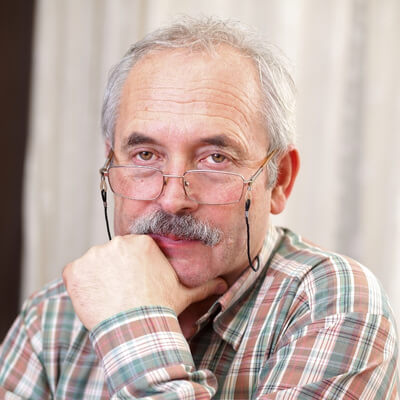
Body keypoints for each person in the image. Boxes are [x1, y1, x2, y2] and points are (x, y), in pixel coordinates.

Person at [0, 16, 398, 399]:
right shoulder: (53, 316)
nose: (173, 200)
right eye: (144, 155)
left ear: (279, 180)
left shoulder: (334, 305)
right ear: (111, 165)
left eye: (215, 159)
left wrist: (133, 325)